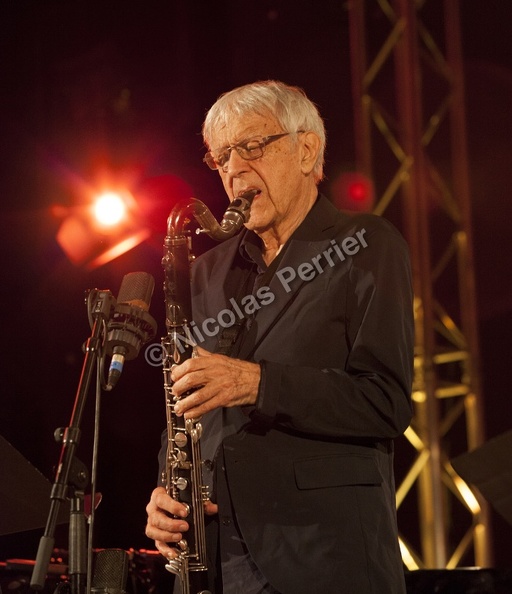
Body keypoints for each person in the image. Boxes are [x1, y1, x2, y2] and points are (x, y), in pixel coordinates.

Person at [145, 80, 414, 594]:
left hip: (325, 557)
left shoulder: (366, 244)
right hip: (219, 562)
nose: (234, 170)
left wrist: (258, 383)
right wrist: (167, 491)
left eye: (251, 147)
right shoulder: (204, 273)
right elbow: (184, 404)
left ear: (306, 149)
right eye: (221, 157)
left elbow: (386, 403)